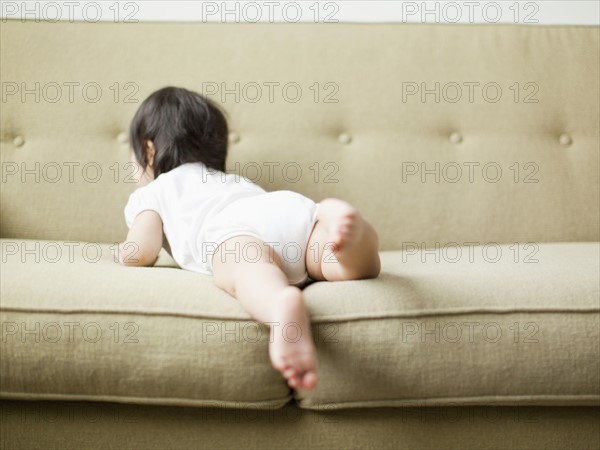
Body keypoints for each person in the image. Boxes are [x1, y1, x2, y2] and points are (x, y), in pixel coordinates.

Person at [114, 86, 381, 391]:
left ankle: (279, 304)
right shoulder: (232, 181)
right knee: (336, 260)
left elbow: (142, 251)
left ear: (147, 151)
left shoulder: (153, 191)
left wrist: (123, 253)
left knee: (245, 266)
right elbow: (270, 219)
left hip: (235, 231)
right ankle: (347, 232)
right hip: (289, 211)